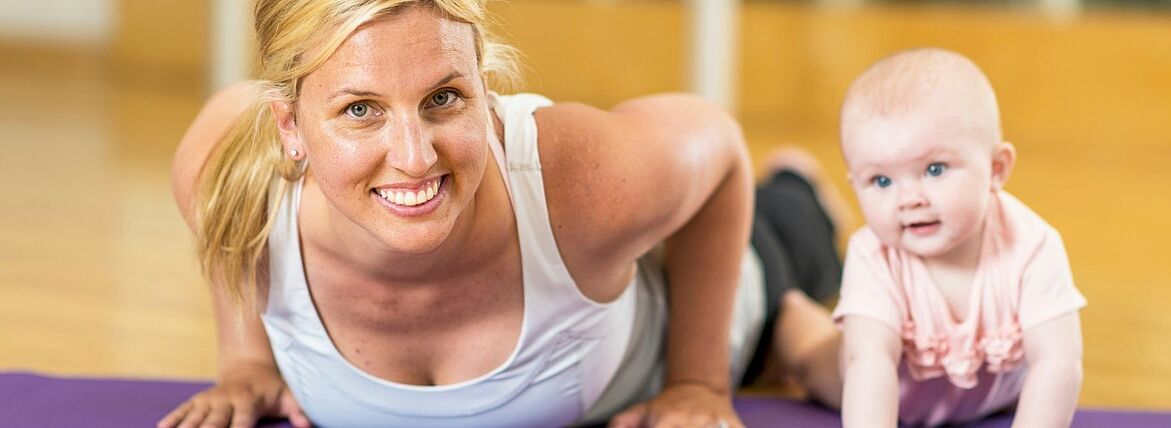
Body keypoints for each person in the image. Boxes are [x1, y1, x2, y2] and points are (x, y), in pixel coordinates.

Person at [157, 1, 843, 427]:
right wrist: (246, 361)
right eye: (359, 110)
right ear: (289, 128)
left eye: (443, 99)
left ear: (486, 91)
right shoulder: (229, 171)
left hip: (723, 287)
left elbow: (719, 148)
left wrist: (698, 381)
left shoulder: (578, 179)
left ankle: (799, 187)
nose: (415, 156)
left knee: (796, 230)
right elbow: (232, 227)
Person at [834, 48, 1087, 427]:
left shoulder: (1033, 247)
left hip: (993, 400)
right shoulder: (873, 254)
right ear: (855, 185)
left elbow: (1058, 361)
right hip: (890, 399)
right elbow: (868, 363)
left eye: (934, 169)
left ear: (996, 168)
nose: (909, 199)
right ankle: (790, 319)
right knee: (808, 353)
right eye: (881, 181)